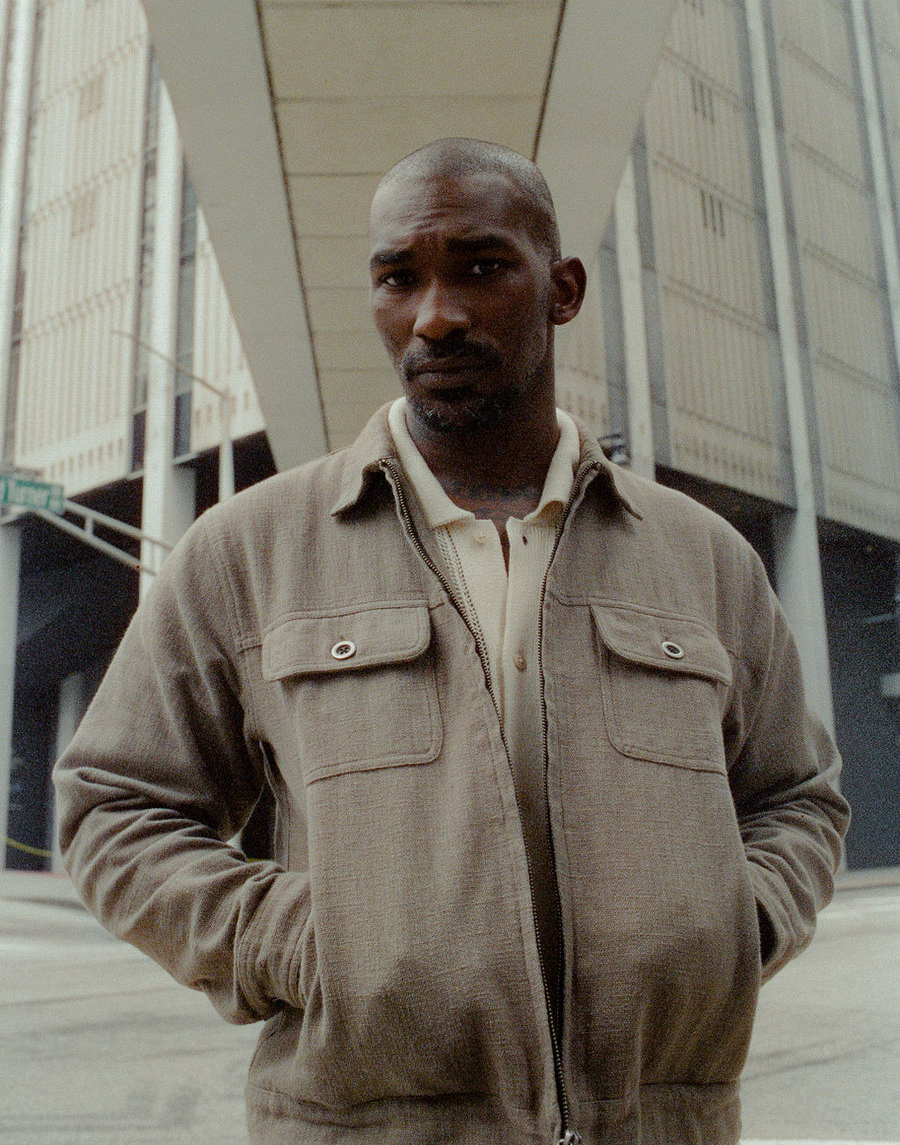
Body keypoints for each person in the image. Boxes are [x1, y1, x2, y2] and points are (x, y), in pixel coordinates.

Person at [55, 138, 850, 1145]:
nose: (436, 315)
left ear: (560, 287)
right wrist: (305, 947)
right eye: (400, 278)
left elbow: (797, 794)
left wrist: (738, 926)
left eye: (481, 268)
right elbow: (115, 806)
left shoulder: (703, 558)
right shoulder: (248, 552)